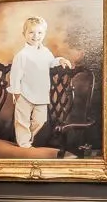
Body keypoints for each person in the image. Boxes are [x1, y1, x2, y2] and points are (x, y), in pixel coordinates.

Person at [6, 15, 70, 149]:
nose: (36, 36)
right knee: (22, 120)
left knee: (41, 120)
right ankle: (24, 144)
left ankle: (27, 138)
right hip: (24, 93)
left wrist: (60, 60)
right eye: (31, 32)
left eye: (40, 32)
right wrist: (16, 93)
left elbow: (51, 62)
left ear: (44, 33)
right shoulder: (22, 55)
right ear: (24, 34)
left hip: (41, 93)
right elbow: (15, 76)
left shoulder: (45, 52)